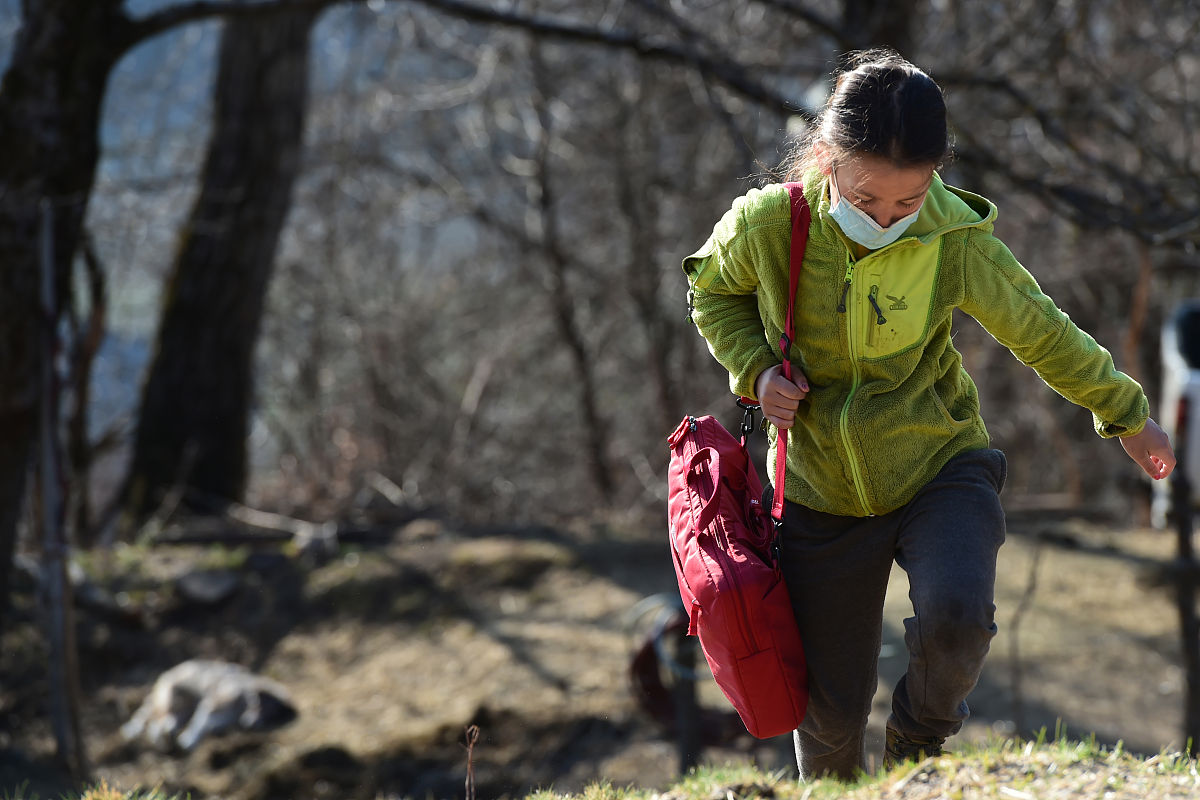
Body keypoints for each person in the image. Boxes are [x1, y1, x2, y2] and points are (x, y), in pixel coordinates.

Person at [681, 48, 1176, 781]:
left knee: (959, 619)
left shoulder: (953, 238)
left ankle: (916, 755)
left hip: (939, 465)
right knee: (830, 714)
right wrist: (754, 369)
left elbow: (1040, 329)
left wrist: (1128, 414)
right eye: (866, 198)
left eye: (906, 203)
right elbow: (710, 293)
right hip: (818, 491)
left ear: (935, 179)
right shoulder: (766, 226)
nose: (885, 219)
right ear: (827, 159)